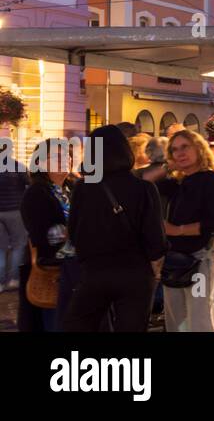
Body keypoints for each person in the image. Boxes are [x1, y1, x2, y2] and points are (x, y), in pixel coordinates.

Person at [63, 126, 166, 332]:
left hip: (95, 272)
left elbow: (73, 233)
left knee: (80, 324)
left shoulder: (83, 188)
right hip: (135, 273)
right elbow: (156, 239)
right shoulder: (144, 188)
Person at [155, 129, 214, 331]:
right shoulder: (177, 182)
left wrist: (177, 230)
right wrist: (167, 166)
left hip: (200, 256)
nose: (180, 153)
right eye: (174, 150)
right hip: (174, 259)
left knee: (199, 313)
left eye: (185, 147)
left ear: (199, 148)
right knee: (173, 316)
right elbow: (143, 182)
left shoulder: (210, 180)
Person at [16, 140, 68, 331]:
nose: (65, 160)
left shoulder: (69, 189)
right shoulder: (37, 193)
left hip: (71, 269)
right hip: (51, 270)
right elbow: (44, 236)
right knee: (54, 322)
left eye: (67, 155)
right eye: (57, 157)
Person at [0, 144, 26, 293]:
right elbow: (28, 183)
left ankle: (0, 282)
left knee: (0, 248)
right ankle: (14, 279)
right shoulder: (18, 167)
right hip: (15, 210)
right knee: (18, 244)